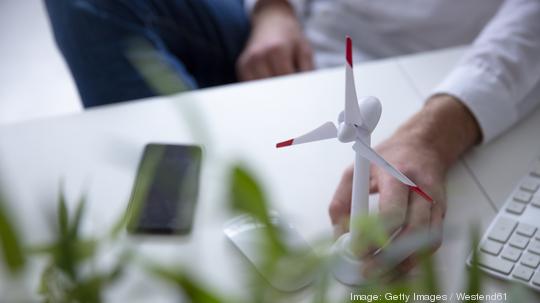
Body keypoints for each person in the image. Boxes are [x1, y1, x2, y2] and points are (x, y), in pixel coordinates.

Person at [46, 0, 540, 273]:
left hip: (423, 67)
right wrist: (272, 8)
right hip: (288, 31)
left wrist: (433, 135)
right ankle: (173, 214)